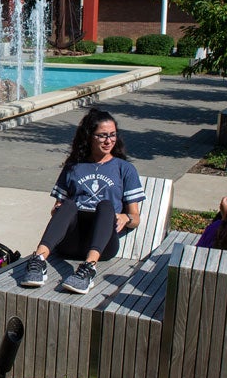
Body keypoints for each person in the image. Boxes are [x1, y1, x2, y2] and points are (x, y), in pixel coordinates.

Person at [19, 108, 145, 294]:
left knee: (106, 206)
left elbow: (136, 218)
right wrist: (59, 210)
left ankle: (88, 269)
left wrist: (126, 218)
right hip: (70, 242)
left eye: (112, 135)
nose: (109, 140)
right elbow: (56, 210)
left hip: (103, 245)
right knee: (69, 204)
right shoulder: (74, 167)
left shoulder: (124, 169)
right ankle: (38, 261)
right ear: (89, 137)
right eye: (102, 136)